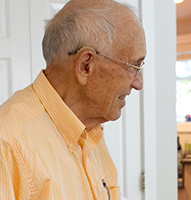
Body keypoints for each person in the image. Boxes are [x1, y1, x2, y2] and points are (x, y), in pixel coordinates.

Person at [0, 0, 146, 199]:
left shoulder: (90, 133)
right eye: (133, 67)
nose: (138, 83)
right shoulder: (7, 144)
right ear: (86, 65)